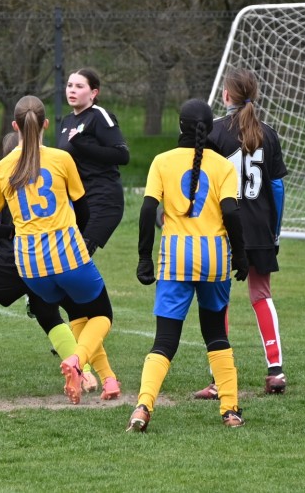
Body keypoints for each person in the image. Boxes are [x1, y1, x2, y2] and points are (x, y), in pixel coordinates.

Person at [0, 95, 114, 404]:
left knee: (45, 308)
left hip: (28, 264)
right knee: (98, 313)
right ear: (45, 124)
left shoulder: (1, 168)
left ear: (15, 126)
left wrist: (10, 231)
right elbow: (84, 210)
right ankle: (81, 365)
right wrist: (76, 237)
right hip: (67, 255)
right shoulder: (62, 158)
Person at [128, 99, 250, 432]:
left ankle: (143, 406)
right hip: (215, 260)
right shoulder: (223, 166)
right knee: (216, 334)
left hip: (175, 259)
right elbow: (231, 213)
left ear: (179, 126)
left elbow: (147, 211)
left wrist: (144, 256)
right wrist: (241, 255)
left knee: (165, 340)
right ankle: (230, 410)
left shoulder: (162, 161)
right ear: (210, 129)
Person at [193, 68, 288, 399]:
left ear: (226, 95)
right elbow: (277, 188)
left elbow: (203, 184)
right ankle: (275, 371)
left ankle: (220, 379)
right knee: (261, 295)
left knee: (217, 299)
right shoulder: (269, 133)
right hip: (260, 227)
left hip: (222, 227)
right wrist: (274, 231)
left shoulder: (214, 132)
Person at [52, 67, 129, 396]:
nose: (72, 90)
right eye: (69, 85)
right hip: (77, 206)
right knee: (72, 281)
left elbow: (122, 155)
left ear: (93, 92)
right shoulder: (66, 123)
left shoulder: (99, 117)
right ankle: (103, 374)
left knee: (74, 264)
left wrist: (83, 145)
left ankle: (81, 353)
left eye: (79, 86)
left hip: (104, 203)